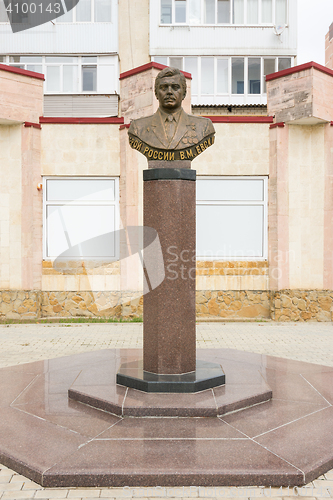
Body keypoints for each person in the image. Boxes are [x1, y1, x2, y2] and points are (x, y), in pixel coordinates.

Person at [128, 67, 215, 154]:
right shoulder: (137, 127)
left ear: (184, 93)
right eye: (164, 88)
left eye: (175, 87)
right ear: (156, 93)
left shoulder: (204, 126)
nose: (169, 92)